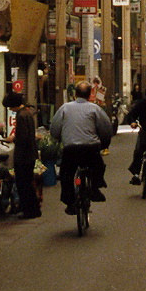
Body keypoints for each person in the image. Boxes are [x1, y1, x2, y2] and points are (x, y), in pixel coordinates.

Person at [50, 81, 113, 215]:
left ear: (75, 94)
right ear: (90, 93)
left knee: (66, 174)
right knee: (98, 166)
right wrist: (104, 143)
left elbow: (54, 129)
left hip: (70, 149)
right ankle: (95, 189)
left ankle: (70, 202)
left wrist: (59, 139)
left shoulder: (65, 108)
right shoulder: (95, 109)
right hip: (90, 148)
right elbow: (106, 128)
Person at [2, 92, 41, 219]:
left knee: (23, 184)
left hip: (24, 156)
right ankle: (34, 209)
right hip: (30, 154)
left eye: (9, 106)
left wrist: (12, 139)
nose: (9, 109)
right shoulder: (27, 113)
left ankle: (29, 211)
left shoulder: (21, 115)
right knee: (29, 183)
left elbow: (23, 138)